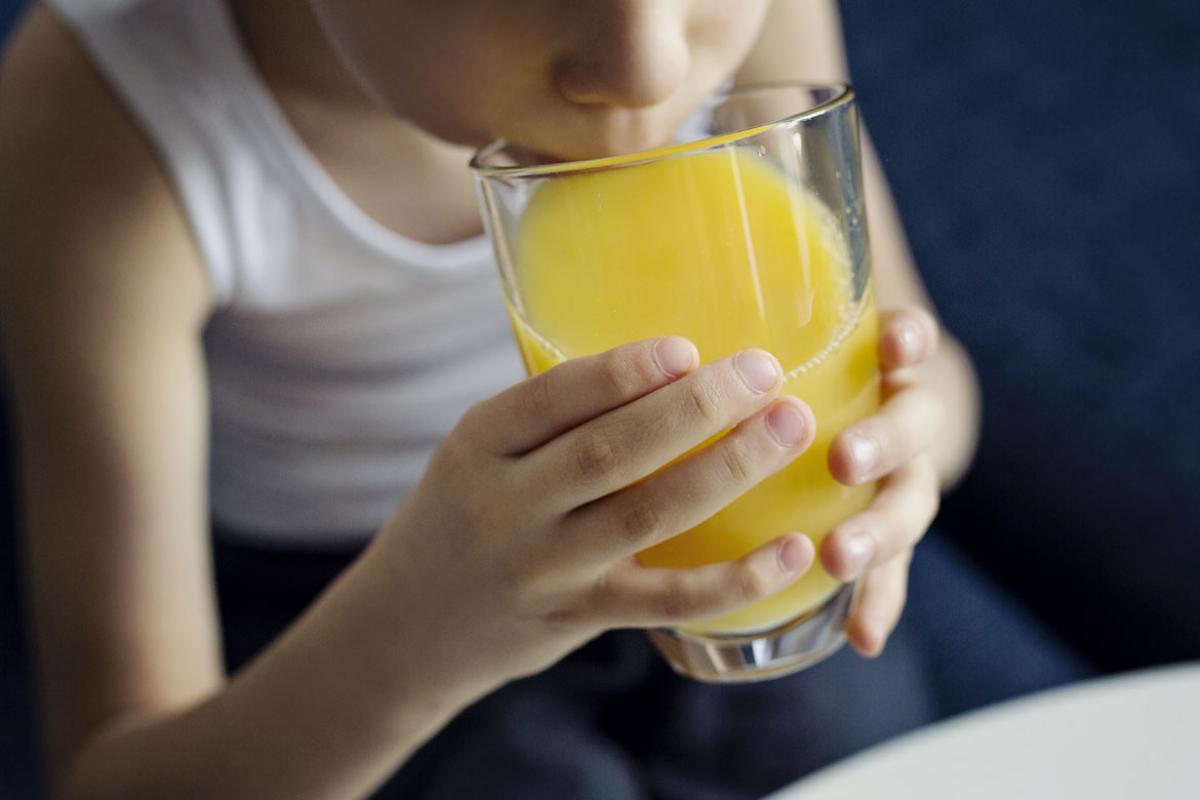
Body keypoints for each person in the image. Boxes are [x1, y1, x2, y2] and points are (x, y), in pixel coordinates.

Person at [0, 1, 982, 798]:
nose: (648, 66)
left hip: (745, 522)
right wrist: (419, 627)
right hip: (357, 615)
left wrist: (900, 452)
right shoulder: (105, 117)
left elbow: (932, 375)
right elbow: (108, 775)